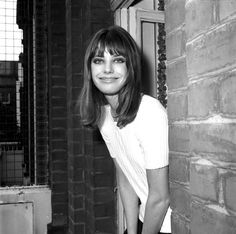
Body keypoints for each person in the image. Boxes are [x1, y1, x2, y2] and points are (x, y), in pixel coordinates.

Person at [79, 25, 171, 234]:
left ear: (131, 67)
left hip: (168, 224)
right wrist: (130, 230)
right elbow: (126, 178)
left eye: (118, 60)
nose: (107, 69)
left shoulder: (149, 112)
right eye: (99, 60)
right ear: (90, 68)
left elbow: (160, 198)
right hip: (144, 219)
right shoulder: (104, 117)